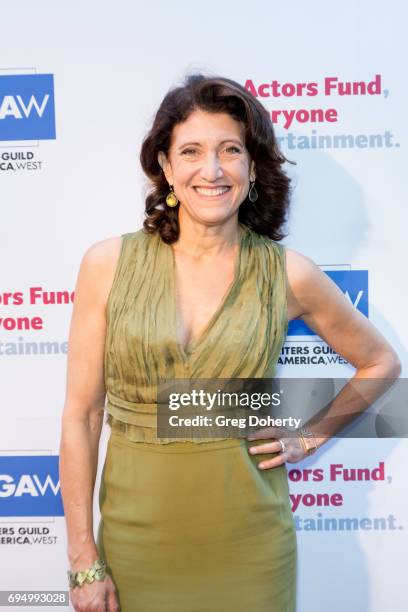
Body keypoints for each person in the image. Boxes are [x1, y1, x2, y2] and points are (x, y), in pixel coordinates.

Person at [59, 74, 401, 612]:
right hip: (133, 546)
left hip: (251, 549)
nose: (212, 170)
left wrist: (307, 438)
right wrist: (83, 558)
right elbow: (81, 416)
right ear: (167, 168)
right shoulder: (107, 266)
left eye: (230, 151)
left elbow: (381, 363)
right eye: (191, 151)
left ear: (252, 166)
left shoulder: (289, 274)